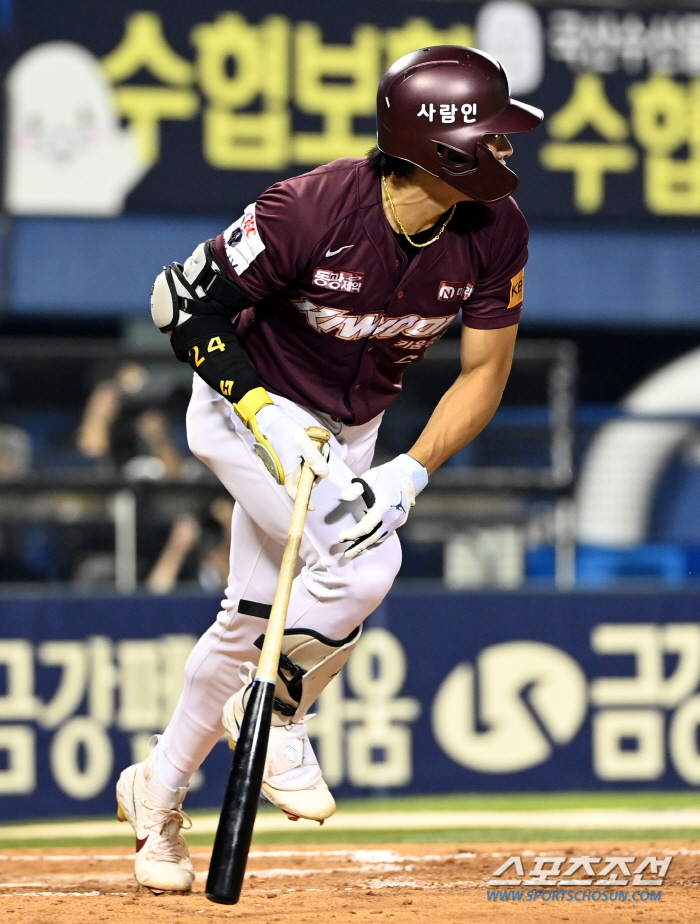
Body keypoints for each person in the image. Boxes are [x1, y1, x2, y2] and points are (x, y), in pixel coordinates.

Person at [115, 46, 543, 892]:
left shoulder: (499, 233)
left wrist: (409, 472)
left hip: (354, 432)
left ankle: (155, 795)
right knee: (364, 558)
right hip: (252, 412)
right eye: (489, 138)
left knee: (247, 622)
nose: (506, 153)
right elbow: (181, 302)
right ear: (438, 149)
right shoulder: (310, 207)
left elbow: (485, 373)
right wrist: (263, 411)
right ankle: (274, 713)